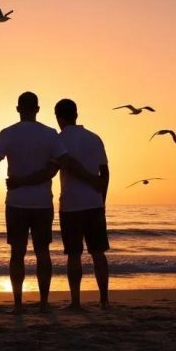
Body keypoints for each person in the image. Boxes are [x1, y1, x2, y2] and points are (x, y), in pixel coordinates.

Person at [0, 92, 98, 313]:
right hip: (42, 203)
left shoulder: (7, 133)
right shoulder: (50, 134)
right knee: (42, 253)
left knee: (17, 254)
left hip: (17, 202)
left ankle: (18, 304)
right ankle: (44, 303)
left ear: (18, 109)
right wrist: (91, 178)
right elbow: (62, 164)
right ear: (37, 109)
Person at [53, 99, 110, 310]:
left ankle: (76, 301)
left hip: (71, 204)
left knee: (74, 254)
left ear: (59, 117)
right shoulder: (94, 138)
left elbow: (52, 168)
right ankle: (104, 299)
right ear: (76, 114)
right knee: (98, 253)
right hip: (94, 203)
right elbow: (105, 172)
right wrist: (102, 199)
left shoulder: (58, 140)